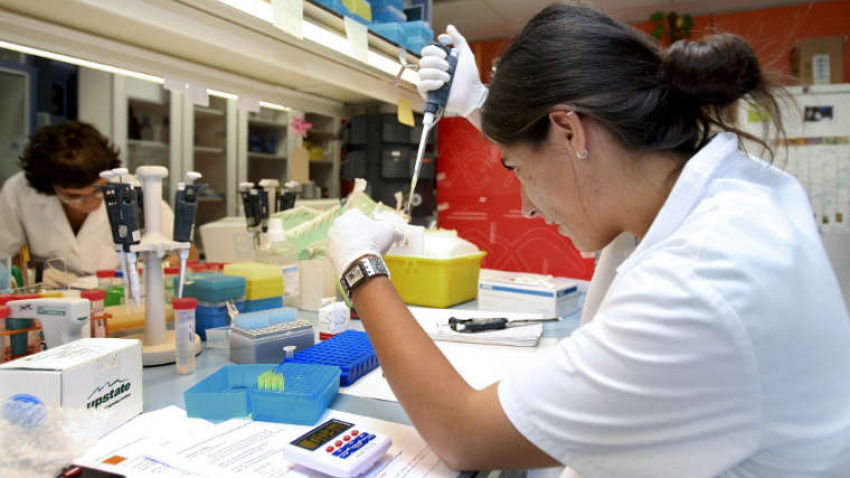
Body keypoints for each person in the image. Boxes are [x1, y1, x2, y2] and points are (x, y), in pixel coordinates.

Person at [327, 4, 850, 477]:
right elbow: (580, 153)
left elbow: (462, 433)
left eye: (516, 168)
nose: (528, 206)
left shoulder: (695, 288)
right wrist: (482, 104)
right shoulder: (726, 188)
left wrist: (360, 265)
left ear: (570, 130)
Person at [0, 121, 178, 285]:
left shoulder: (132, 189)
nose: (90, 201)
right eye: (74, 196)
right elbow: (7, 254)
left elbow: (182, 250)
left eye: (98, 190)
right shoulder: (18, 192)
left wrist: (155, 271)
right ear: (50, 186)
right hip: (51, 296)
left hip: (120, 292)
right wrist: (32, 277)